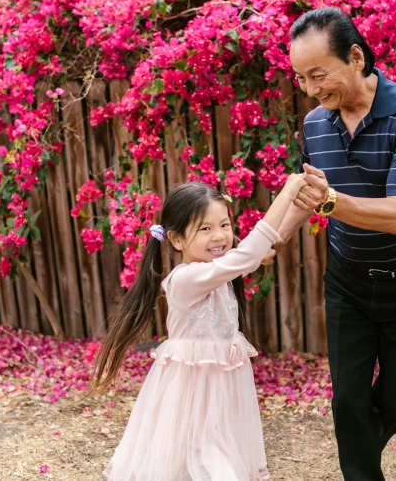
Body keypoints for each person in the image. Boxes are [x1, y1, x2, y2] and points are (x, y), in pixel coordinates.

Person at [267, 7, 396, 480]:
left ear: (355, 56)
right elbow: (310, 196)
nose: (310, 90)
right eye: (301, 78)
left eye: (318, 75)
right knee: (348, 400)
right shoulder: (315, 125)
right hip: (347, 281)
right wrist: (270, 241)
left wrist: (328, 202)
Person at [91, 176, 308, 481]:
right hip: (190, 392)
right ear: (177, 240)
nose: (219, 236)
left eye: (224, 225)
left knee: (208, 456)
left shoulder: (217, 271)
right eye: (205, 229)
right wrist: (287, 192)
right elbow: (247, 255)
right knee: (197, 460)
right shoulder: (186, 280)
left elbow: (250, 255)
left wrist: (301, 207)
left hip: (221, 390)